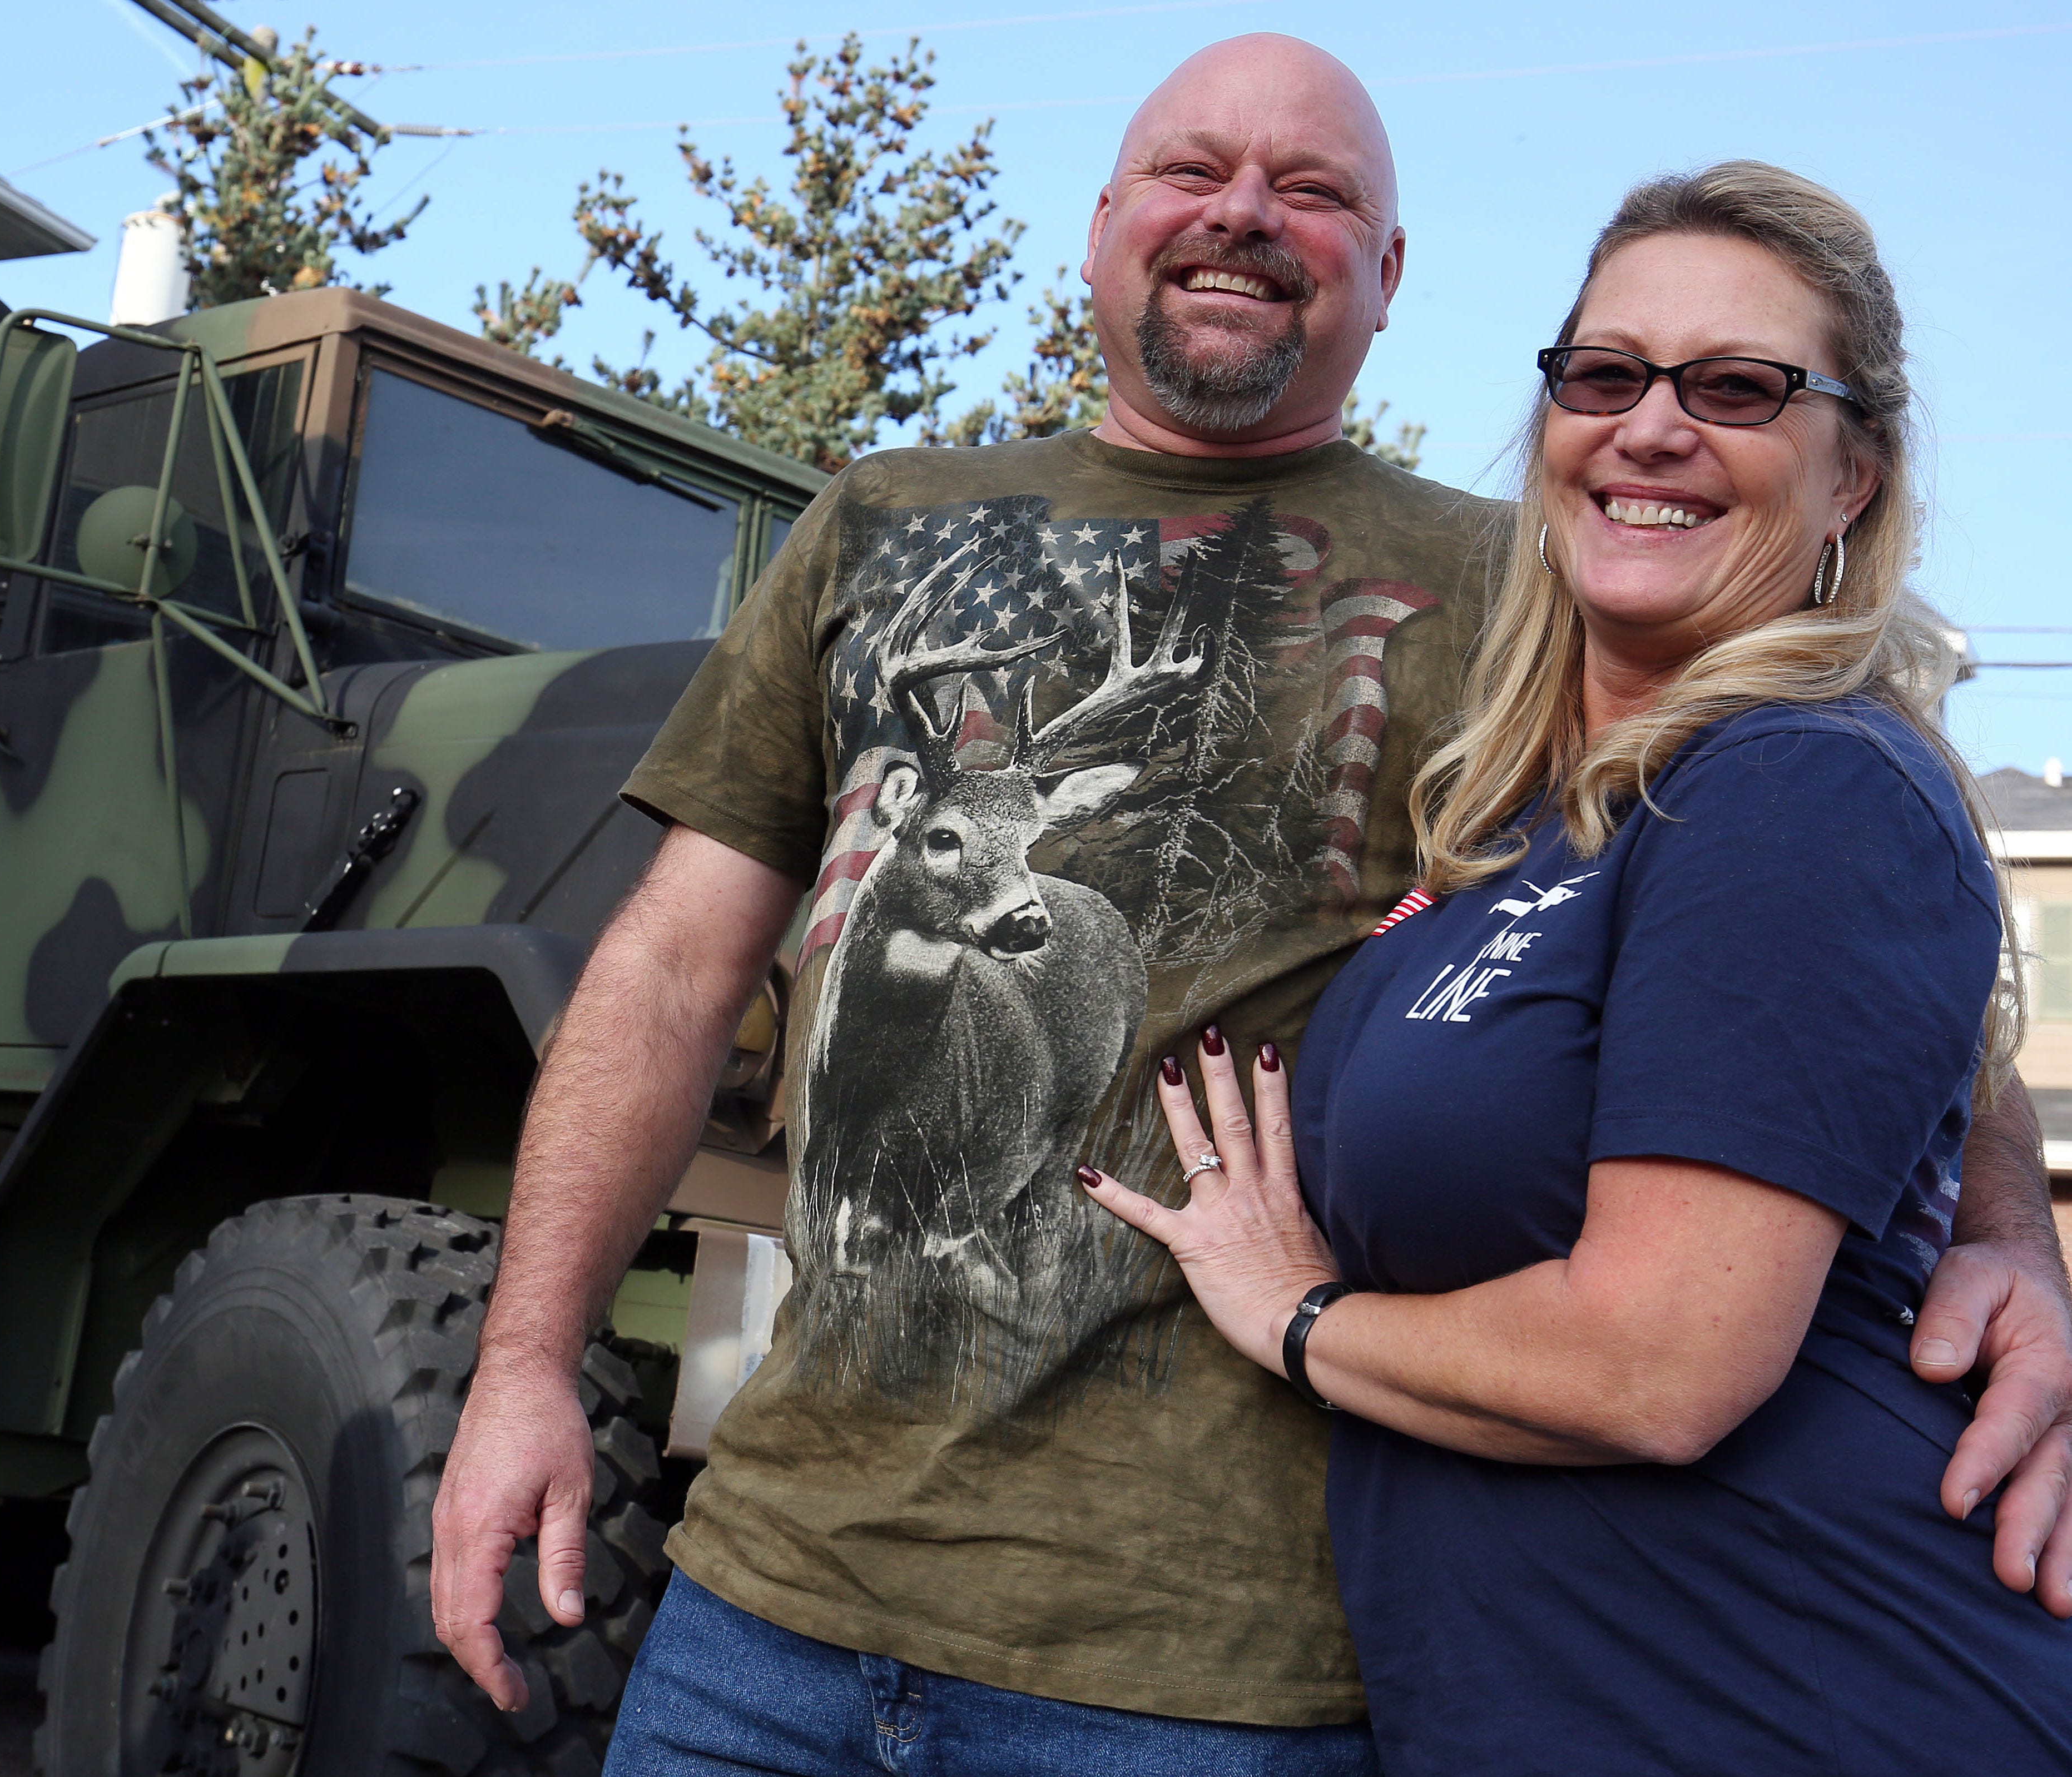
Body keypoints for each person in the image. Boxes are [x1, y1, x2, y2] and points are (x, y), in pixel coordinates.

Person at [430, 38, 2072, 1775]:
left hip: (1213, 1659)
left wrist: (1998, 1250)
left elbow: (1818, 924)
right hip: (771, 1588)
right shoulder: (874, 524)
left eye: (1315, 190)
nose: (1240, 214)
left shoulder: (1543, 582)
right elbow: (673, 969)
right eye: (1189, 169)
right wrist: (524, 1359)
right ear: (1101, 222)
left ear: (1387, 276)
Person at [1082, 161, 2072, 1772]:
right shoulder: (1527, 813)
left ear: (1850, 481)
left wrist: (1295, 1314)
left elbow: (1658, 1363)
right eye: (1603, 374)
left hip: (1812, 1698)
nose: (1650, 425)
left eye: (1739, 386)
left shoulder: (1799, 778)